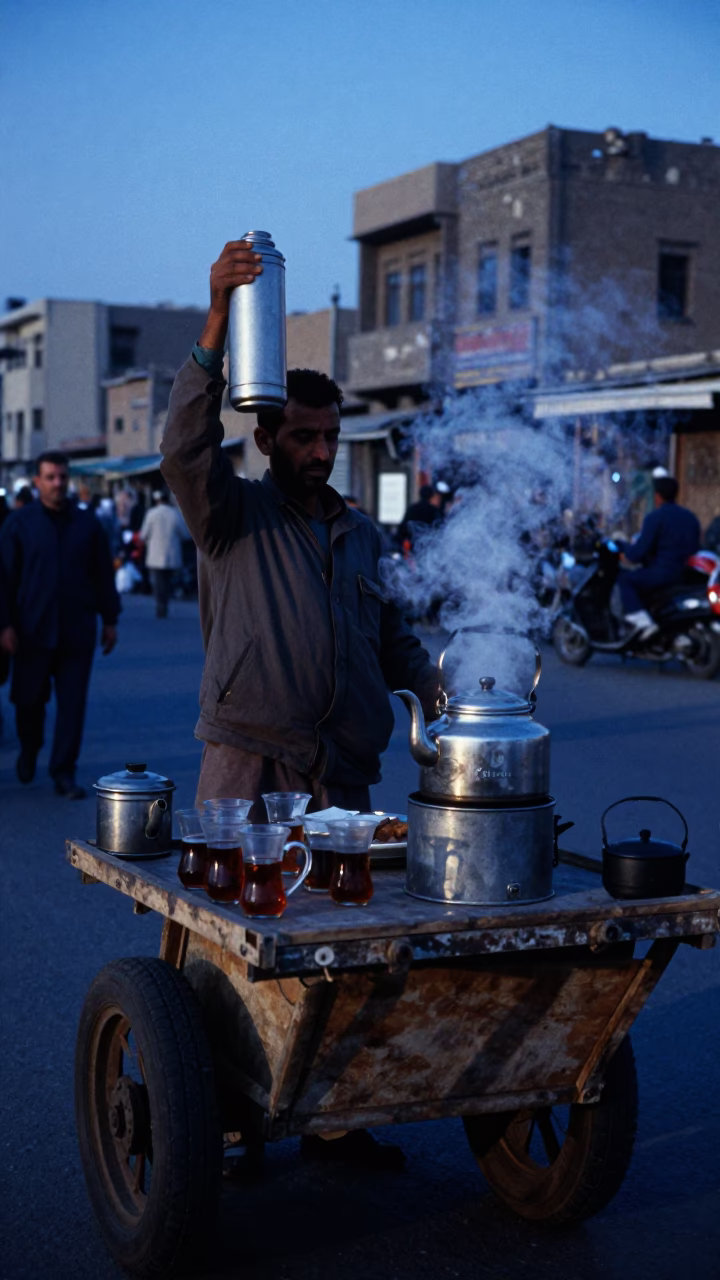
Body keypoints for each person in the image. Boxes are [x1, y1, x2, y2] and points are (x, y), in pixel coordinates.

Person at [160, 239, 439, 1171]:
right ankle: (225, 1114)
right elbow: (183, 444)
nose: (321, 452)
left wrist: (451, 697)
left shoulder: (362, 536)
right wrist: (213, 322)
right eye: (305, 437)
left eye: (332, 439)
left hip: (343, 777)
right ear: (269, 437)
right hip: (249, 762)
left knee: (347, 953)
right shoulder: (230, 514)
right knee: (242, 949)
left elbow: (392, 642)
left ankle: (334, 1114)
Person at [0, 451, 120, 798]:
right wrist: (4, 624)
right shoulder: (19, 525)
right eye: (50, 477)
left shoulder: (87, 525)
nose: (57, 484)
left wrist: (110, 619)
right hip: (30, 632)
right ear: (37, 482)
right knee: (28, 701)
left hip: (75, 632)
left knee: (72, 705)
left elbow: (103, 576)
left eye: (62, 478)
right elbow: (4, 580)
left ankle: (63, 772)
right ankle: (29, 747)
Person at [616, 475, 700, 638]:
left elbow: (638, 553)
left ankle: (642, 622)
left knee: (625, 580)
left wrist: (623, 547)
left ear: (657, 495)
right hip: (686, 574)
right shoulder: (690, 517)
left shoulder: (655, 518)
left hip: (662, 573)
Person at [139, 490, 187, 617]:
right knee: (167, 581)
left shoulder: (151, 514)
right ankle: (164, 603)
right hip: (171, 553)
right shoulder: (175, 514)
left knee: (157, 581)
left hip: (155, 554)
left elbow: (143, 535)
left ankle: (160, 603)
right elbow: (185, 534)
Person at [396, 483, 443, 553]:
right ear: (431, 496)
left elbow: (402, 529)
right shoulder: (434, 511)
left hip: (412, 547)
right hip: (429, 548)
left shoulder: (412, 509)